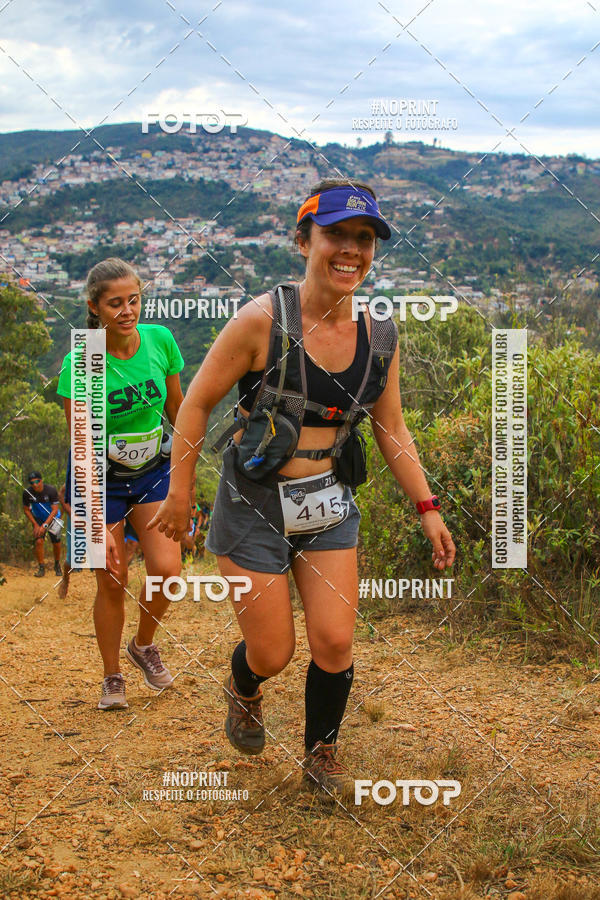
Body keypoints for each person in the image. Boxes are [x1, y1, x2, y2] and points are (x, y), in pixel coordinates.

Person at [149, 179, 455, 794]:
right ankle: (243, 685)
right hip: (251, 505)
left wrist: (428, 508)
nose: (350, 251)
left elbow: (392, 430)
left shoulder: (381, 336)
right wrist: (179, 492)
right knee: (272, 653)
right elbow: (197, 405)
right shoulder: (261, 321)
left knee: (335, 640)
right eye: (335, 235)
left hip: (328, 503)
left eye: (363, 239)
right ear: (303, 240)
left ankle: (321, 757)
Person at [57, 258, 185, 711]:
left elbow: (178, 412)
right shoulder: (84, 361)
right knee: (111, 579)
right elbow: (82, 445)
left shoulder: (159, 341)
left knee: (168, 572)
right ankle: (112, 676)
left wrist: (184, 481)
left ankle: (143, 644)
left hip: (152, 472)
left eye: (133, 300)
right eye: (115, 303)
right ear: (95, 306)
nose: (127, 310)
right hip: (101, 482)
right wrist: (90, 514)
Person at [22, 471, 63, 578]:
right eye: (32, 483)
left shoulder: (51, 490)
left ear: (41, 480)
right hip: (38, 518)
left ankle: (57, 564)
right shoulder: (27, 493)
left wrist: (45, 525)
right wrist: (35, 524)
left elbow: (54, 510)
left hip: (54, 518)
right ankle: (41, 567)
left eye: (37, 481)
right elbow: (26, 510)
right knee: (39, 541)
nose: (35, 484)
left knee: (56, 543)